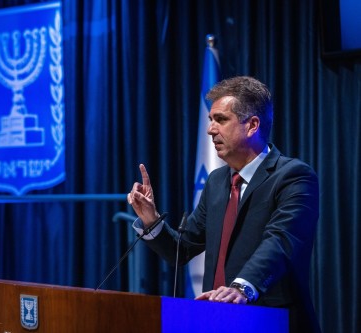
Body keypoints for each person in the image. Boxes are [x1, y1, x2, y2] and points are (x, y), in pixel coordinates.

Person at [127, 76, 320, 333]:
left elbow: (281, 242)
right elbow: (182, 249)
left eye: (220, 119)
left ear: (252, 125)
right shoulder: (217, 181)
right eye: (210, 120)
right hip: (216, 321)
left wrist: (241, 287)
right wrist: (151, 220)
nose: (210, 129)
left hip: (271, 322)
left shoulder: (293, 176)